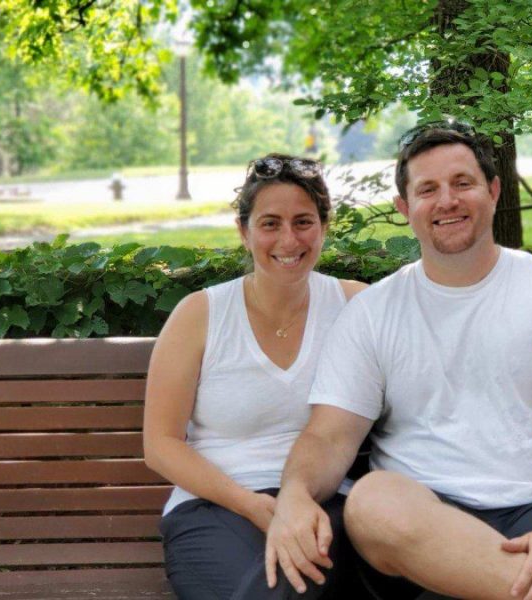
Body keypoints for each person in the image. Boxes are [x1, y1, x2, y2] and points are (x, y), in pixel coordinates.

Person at [263, 124, 532, 600]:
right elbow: (328, 436)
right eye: (427, 190)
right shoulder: (373, 313)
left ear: (493, 191)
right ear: (405, 209)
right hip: (423, 526)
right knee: (371, 501)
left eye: (462, 183)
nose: (447, 201)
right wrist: (293, 493)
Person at [143, 153, 367, 599]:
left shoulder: (356, 307)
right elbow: (161, 444)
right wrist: (252, 505)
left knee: (291, 582)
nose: (289, 239)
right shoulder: (200, 314)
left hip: (325, 504)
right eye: (270, 224)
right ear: (244, 231)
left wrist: (293, 504)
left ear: (325, 226)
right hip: (213, 507)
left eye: (304, 221)